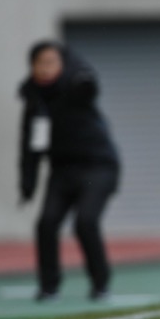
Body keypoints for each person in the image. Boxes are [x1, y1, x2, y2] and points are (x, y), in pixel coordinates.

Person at [19, 41, 121, 302]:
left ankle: (100, 284)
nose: (45, 68)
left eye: (51, 62)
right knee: (46, 224)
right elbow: (31, 146)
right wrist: (27, 183)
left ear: (63, 64)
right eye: (40, 63)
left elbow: (88, 85)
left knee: (85, 222)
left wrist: (80, 74)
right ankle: (48, 286)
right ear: (32, 67)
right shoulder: (34, 100)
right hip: (62, 170)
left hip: (97, 167)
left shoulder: (77, 87)